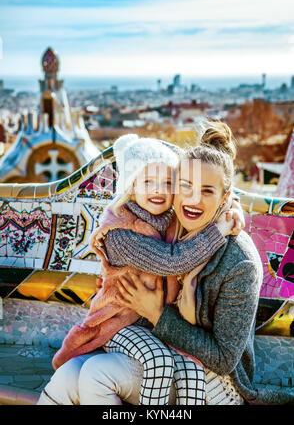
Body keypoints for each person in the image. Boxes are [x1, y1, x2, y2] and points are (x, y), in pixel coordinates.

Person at [46, 134, 243, 406]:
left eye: (167, 182)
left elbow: (214, 195)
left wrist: (233, 209)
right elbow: (171, 261)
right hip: (118, 323)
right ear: (131, 185)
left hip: (155, 327)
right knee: (154, 360)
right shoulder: (120, 233)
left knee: (190, 370)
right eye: (148, 181)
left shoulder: (172, 220)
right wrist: (220, 229)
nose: (158, 190)